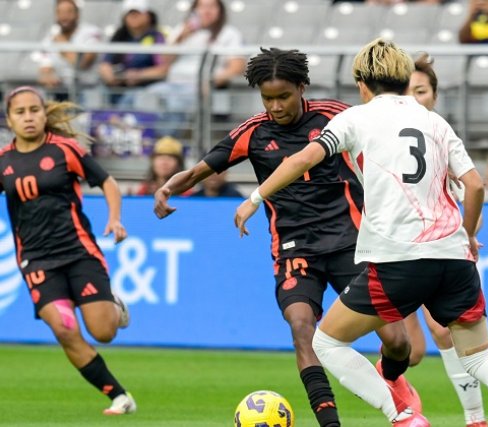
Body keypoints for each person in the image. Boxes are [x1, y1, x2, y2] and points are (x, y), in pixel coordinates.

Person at [234, 38, 488, 427]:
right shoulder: (434, 121)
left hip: (397, 259)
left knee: (327, 342)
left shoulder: (356, 118)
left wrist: (255, 196)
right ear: (405, 79)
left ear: (362, 84)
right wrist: (468, 236)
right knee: (480, 357)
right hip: (453, 258)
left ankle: (402, 415)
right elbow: (475, 186)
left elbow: (303, 157)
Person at [153, 47, 417, 427]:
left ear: (301, 87)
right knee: (301, 327)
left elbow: (390, 140)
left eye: (283, 96)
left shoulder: (336, 116)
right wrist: (168, 189)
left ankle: (392, 378)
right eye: (267, 98)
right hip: (296, 248)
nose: (275, 106)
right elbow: (200, 169)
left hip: (352, 243)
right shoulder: (254, 132)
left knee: (397, 340)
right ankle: (330, 423)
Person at [1, 86, 134, 415]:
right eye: (21, 112)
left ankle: (114, 306)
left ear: (45, 114)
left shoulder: (65, 150)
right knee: (64, 328)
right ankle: (119, 396)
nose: (29, 117)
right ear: (9, 120)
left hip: (78, 252)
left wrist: (114, 219)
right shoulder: (4, 161)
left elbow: (107, 182)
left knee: (102, 332)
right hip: (36, 261)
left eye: (34, 110)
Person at [404, 53, 488, 427]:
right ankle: (393, 398)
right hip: (391, 250)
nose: (415, 98)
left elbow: (473, 198)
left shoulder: (441, 138)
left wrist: (466, 233)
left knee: (444, 332)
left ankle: (475, 418)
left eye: (422, 90)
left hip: (438, 249)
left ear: (435, 96)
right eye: (408, 90)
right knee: (410, 351)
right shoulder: (380, 135)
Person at [145, 0, 244, 137]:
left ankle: (165, 142)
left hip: (199, 86)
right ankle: (147, 138)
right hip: (172, 84)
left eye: (211, 6)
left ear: (220, 11)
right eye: (202, 6)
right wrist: (182, 36)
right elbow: (164, 61)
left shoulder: (229, 33)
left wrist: (211, 82)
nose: (206, 11)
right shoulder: (182, 29)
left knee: (176, 103)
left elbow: (236, 67)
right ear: (194, 10)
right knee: (142, 96)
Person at [98, 0, 168, 107]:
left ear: (148, 15)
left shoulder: (157, 37)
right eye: (130, 13)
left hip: (142, 90)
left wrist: (139, 75)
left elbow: (162, 69)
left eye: (137, 13)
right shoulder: (119, 36)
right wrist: (109, 75)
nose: (133, 17)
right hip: (115, 89)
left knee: (131, 100)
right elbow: (105, 63)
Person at [37, 0, 102, 100]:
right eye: (60, 12)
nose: (64, 17)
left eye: (69, 12)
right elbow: (45, 68)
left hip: (87, 89)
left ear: (77, 14)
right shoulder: (50, 38)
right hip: (59, 91)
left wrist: (63, 45)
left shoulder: (91, 32)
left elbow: (83, 64)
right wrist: (48, 77)